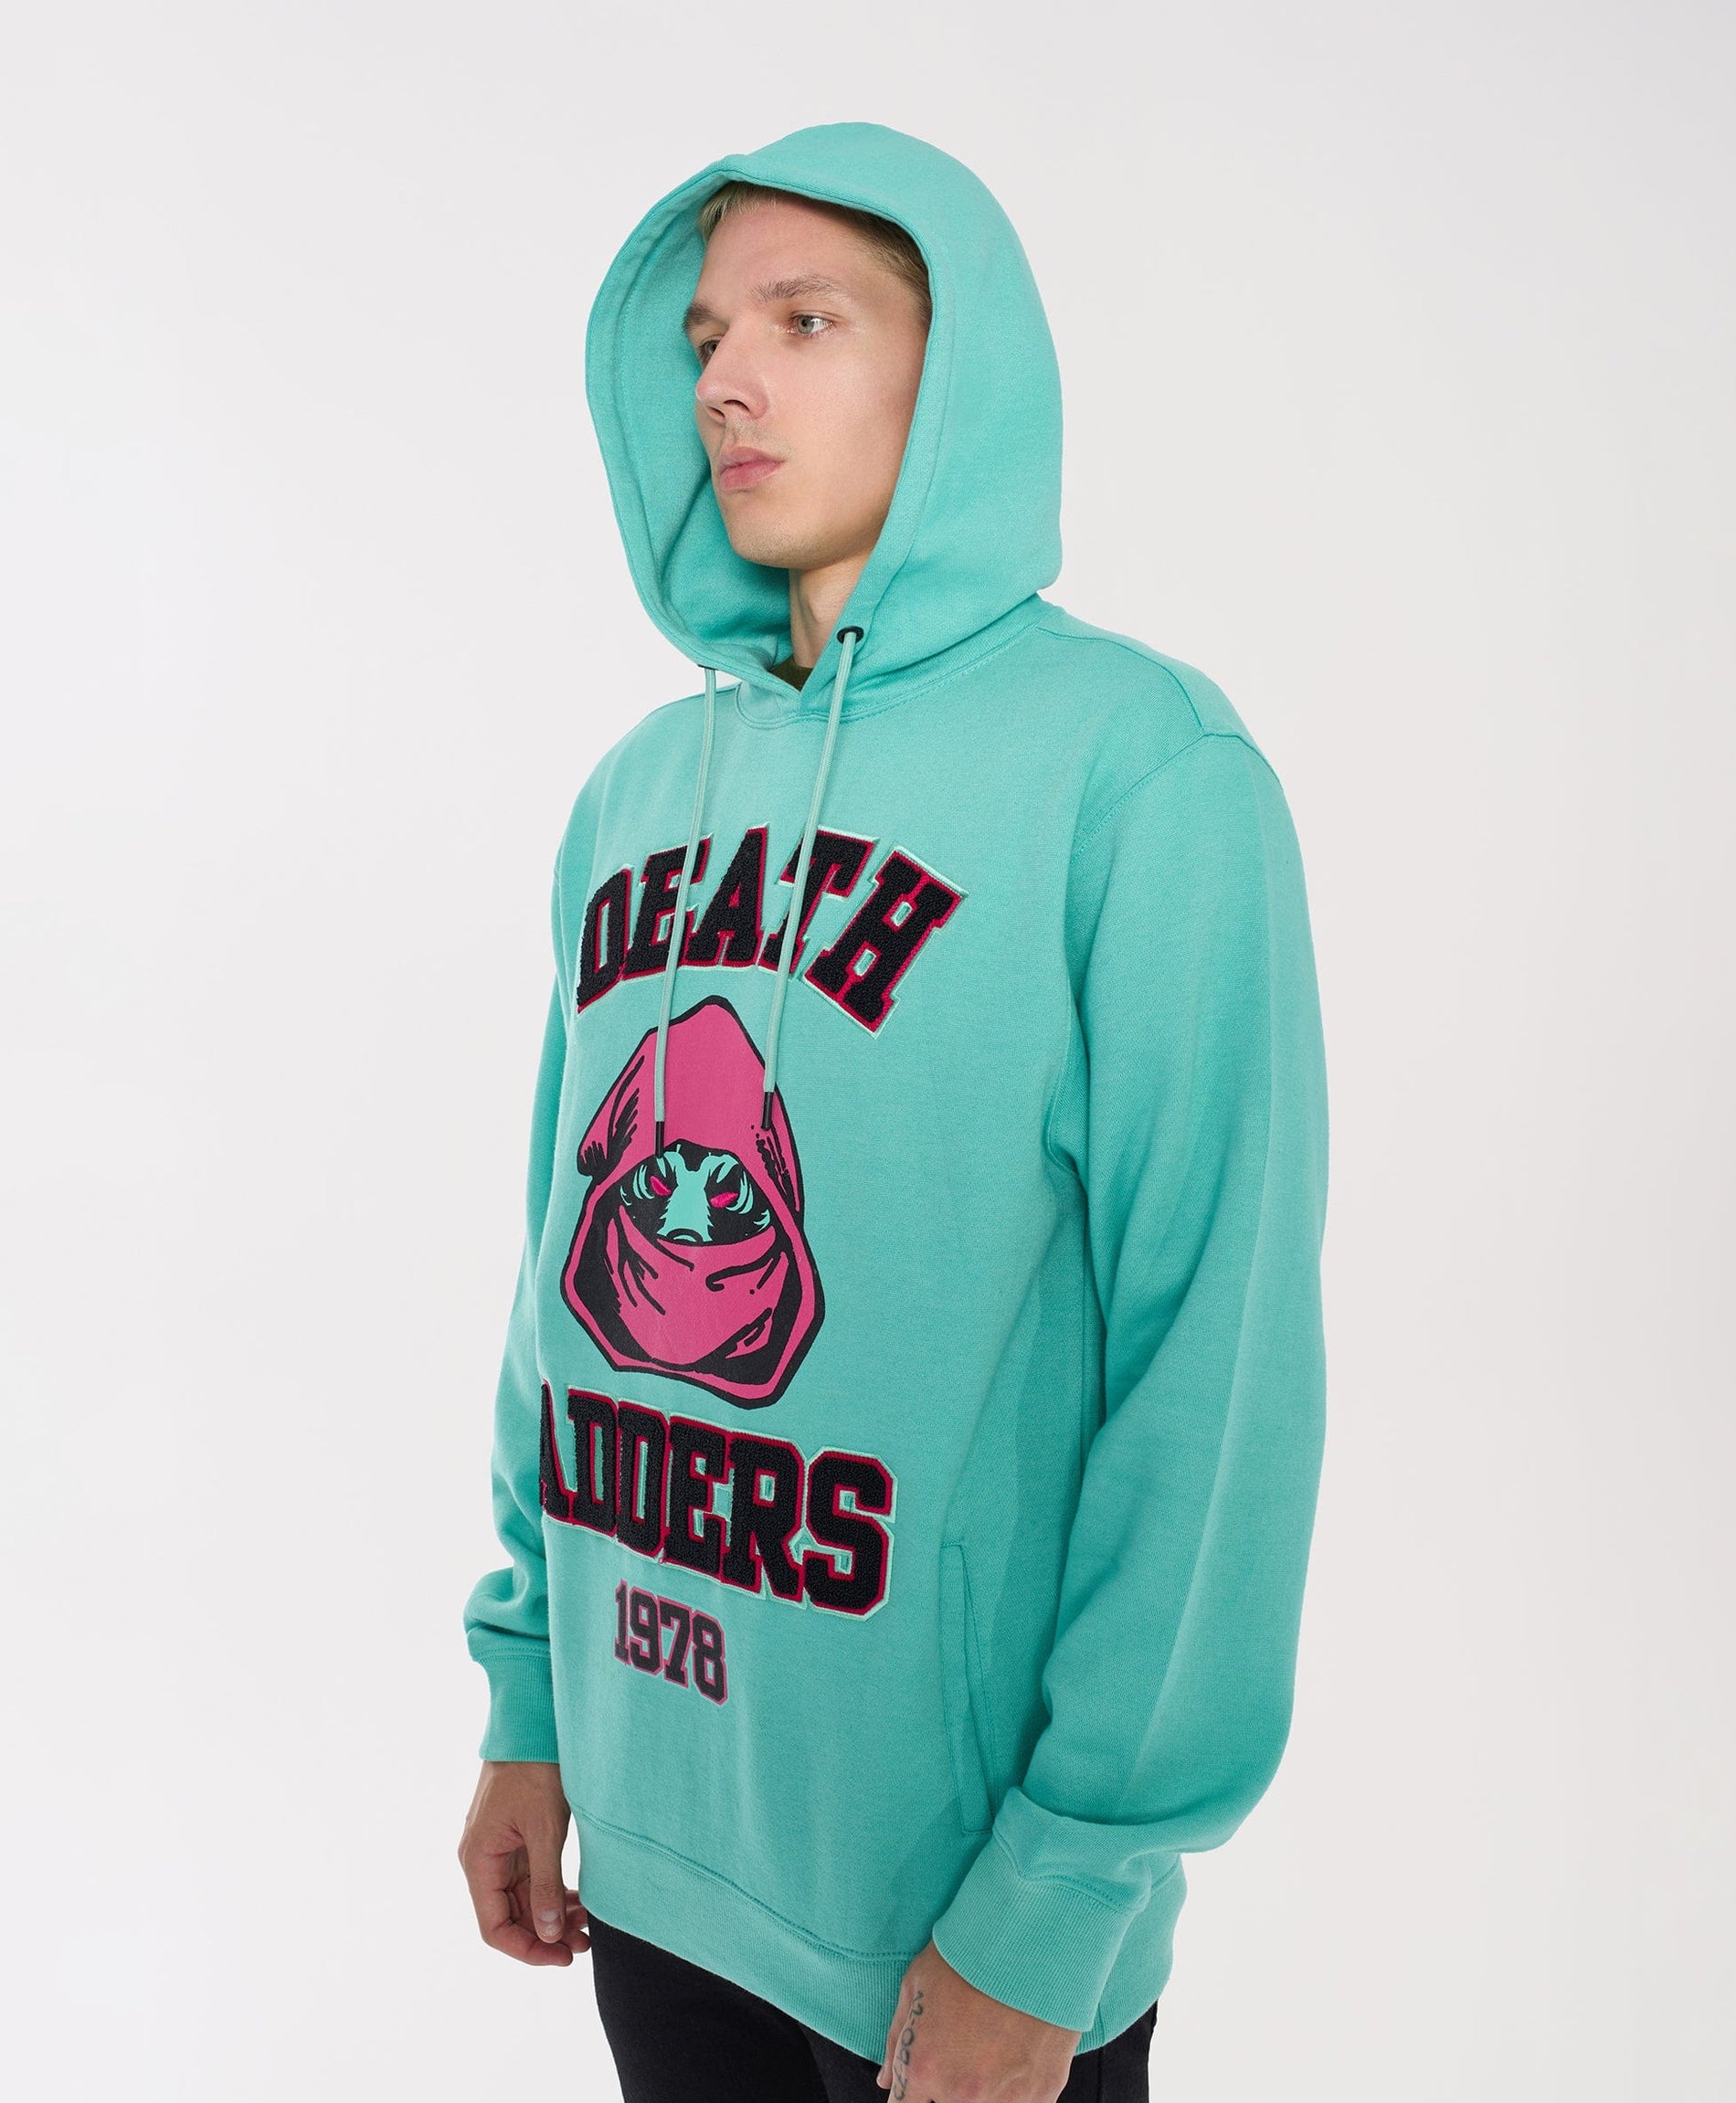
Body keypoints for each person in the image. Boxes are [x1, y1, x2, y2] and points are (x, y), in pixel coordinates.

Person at [458, 122, 1329, 2103]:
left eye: (804, 319)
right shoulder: (636, 790)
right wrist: (531, 1696)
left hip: (955, 1915)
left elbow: (1215, 1370)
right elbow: (547, 1280)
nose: (725, 383)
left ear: (963, 371)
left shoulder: (1141, 772)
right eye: (703, 336)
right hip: (653, 1858)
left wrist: (1067, 1893)